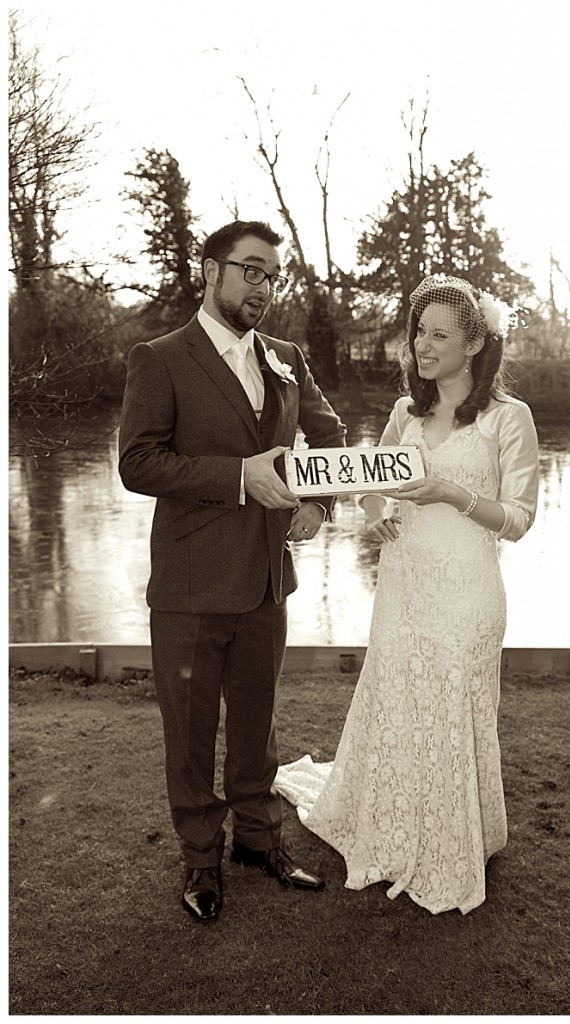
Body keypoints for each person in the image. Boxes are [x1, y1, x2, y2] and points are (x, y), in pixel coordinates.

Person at [275, 274, 539, 915]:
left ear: (474, 344)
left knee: (453, 708)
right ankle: (390, 825)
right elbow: (367, 482)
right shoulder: (405, 413)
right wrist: (372, 514)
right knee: (396, 700)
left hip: (469, 591)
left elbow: (521, 518)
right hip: (403, 585)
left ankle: (454, 841)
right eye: (419, 330)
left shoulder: (510, 419)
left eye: (439, 334)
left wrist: (452, 494)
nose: (422, 344)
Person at [118, 220, 347, 922]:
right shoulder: (159, 359)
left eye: (272, 275)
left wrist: (317, 500)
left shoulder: (285, 356)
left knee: (257, 725)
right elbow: (138, 463)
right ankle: (199, 863)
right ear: (210, 272)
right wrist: (240, 477)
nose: (263, 286)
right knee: (189, 736)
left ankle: (259, 841)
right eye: (251, 270)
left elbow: (330, 434)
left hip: (266, 583)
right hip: (189, 587)